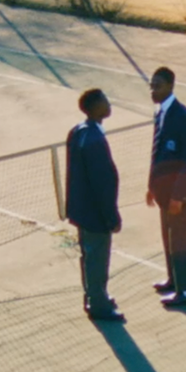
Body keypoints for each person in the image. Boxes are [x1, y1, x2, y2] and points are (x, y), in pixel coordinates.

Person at [65, 88, 124, 323]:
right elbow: (102, 183)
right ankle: (99, 306)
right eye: (105, 101)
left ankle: (93, 297)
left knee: (89, 258)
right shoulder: (95, 140)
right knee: (98, 260)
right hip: (95, 214)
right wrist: (112, 217)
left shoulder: (78, 132)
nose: (109, 104)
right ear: (96, 108)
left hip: (82, 211)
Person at [147, 66, 186, 308]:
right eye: (151, 85)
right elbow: (158, 153)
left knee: (181, 240)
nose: (153, 90)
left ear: (170, 86)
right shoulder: (161, 113)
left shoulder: (184, 118)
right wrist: (152, 186)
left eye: (158, 86)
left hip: (179, 196)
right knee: (168, 238)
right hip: (164, 194)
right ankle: (174, 280)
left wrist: (179, 196)